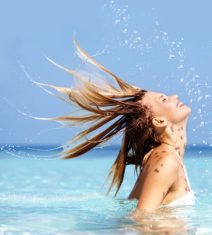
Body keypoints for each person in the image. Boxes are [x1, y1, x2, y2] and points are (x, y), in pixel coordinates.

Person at [41, 40, 195, 215]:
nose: (175, 96)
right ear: (159, 121)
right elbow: (141, 219)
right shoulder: (166, 161)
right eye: (164, 100)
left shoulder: (162, 157)